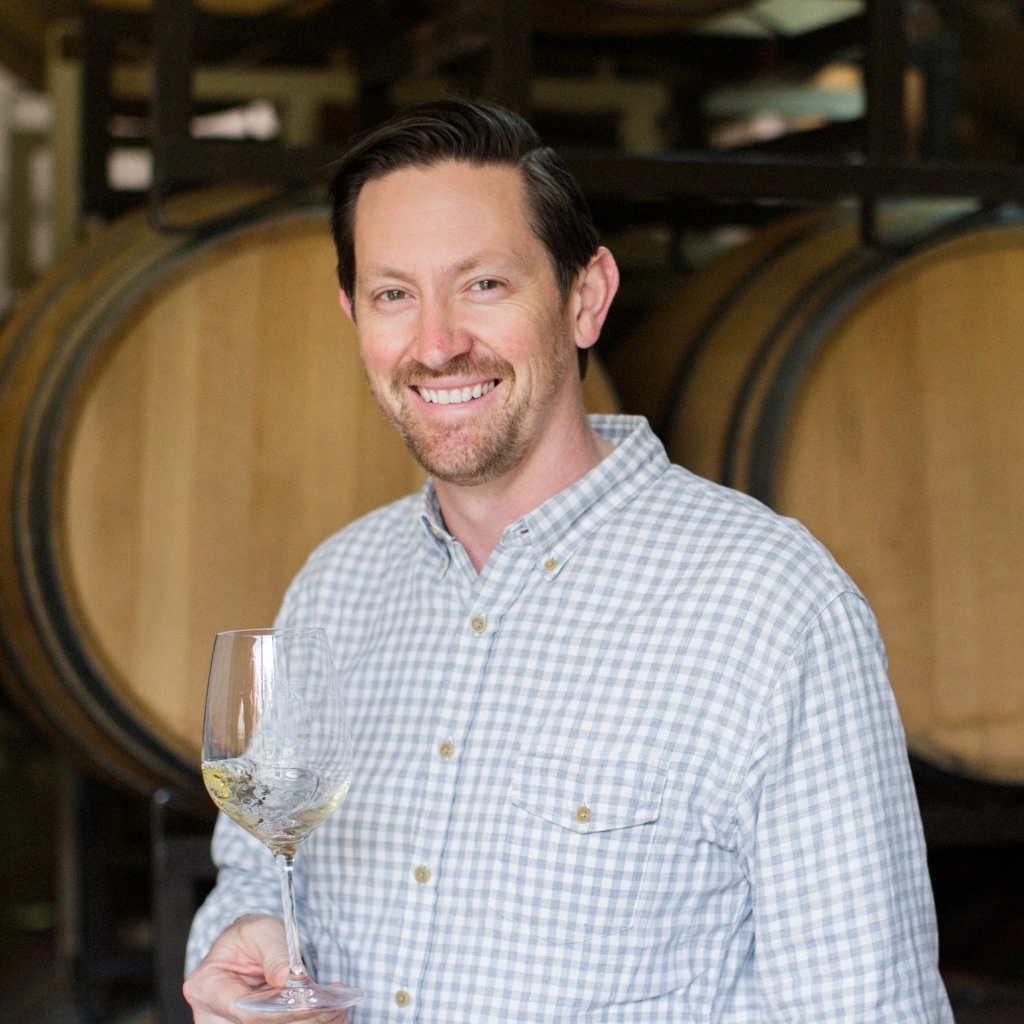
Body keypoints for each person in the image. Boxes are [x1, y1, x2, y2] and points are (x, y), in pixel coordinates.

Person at [184, 99, 954, 1023]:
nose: (435, 345)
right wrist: (246, 931)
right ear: (353, 313)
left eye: (484, 286)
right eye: (395, 294)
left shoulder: (772, 608)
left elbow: (865, 1006)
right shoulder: (336, 588)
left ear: (584, 297)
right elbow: (253, 871)